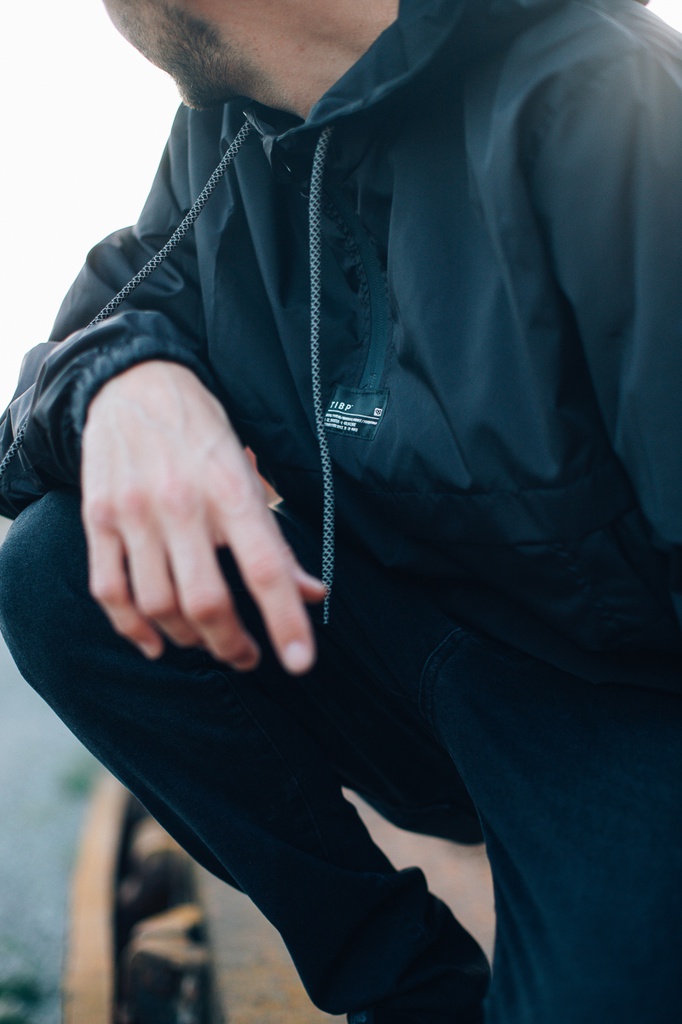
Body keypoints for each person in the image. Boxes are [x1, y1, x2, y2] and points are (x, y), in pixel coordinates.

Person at [1, 0, 682, 1019]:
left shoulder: (605, 99)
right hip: (385, 645)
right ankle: (405, 991)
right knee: (56, 568)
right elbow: (49, 392)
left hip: (612, 695)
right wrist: (121, 383)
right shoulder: (226, 135)